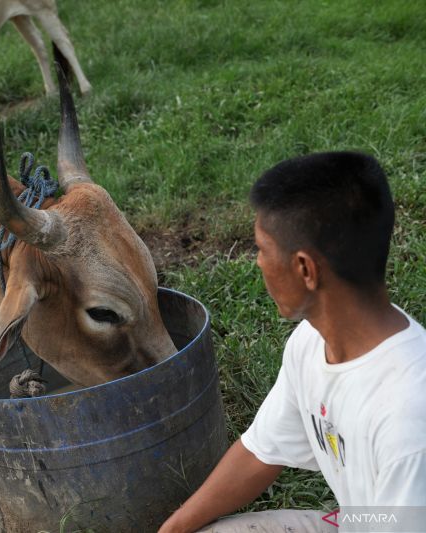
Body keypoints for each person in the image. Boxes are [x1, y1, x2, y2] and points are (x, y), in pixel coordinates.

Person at [158, 151, 426, 533]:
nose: (258, 263)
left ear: (305, 269)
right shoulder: (311, 342)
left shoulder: (410, 420)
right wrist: (176, 528)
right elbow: (260, 452)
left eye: (262, 249)